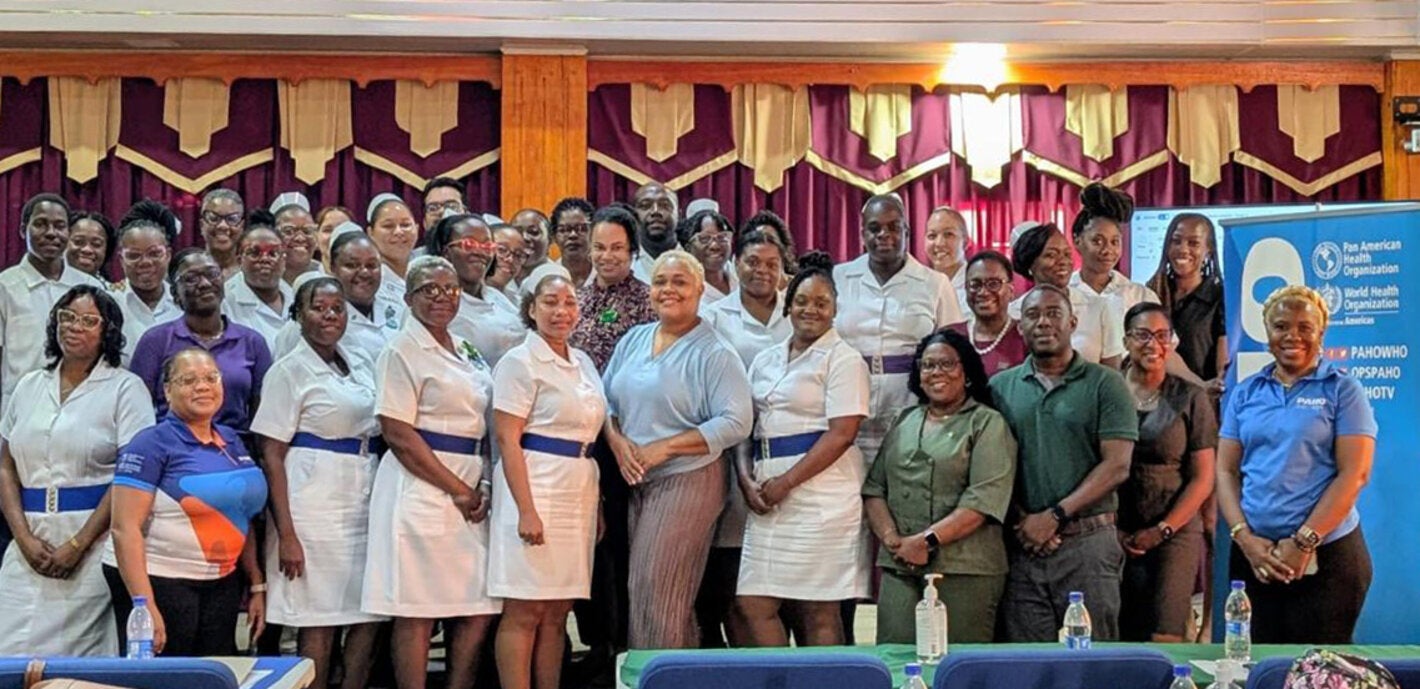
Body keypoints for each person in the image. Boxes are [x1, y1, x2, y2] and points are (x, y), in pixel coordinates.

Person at [602, 250, 753, 649]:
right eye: (660, 282)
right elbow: (604, 401)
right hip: (635, 477)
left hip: (688, 479)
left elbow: (737, 421)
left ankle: (660, 675)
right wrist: (617, 443)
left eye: (679, 282)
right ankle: (671, 671)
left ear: (701, 290)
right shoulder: (634, 338)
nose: (668, 289)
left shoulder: (715, 352)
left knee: (657, 588)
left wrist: (663, 449)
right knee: (649, 590)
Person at [363, 256, 499, 689]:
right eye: (429, 289)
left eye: (450, 288)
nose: (441, 297)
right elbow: (398, 432)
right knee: (417, 608)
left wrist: (482, 483)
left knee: (477, 605)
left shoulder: (466, 348)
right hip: (420, 484)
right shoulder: (400, 350)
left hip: (471, 481)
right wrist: (458, 489)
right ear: (408, 298)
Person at [0, 287, 154, 656]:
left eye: (88, 321)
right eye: (67, 317)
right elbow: (5, 463)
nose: (74, 327)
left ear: (108, 331)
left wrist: (78, 544)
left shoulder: (125, 389)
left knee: (79, 660)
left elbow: (128, 475)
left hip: (93, 544)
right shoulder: (29, 385)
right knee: (8, 648)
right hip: (29, 538)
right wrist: (21, 535)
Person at [1217, 286, 1376, 644]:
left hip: (1327, 558)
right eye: (1281, 326)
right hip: (1255, 556)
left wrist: (1303, 542)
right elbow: (1225, 471)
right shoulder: (1245, 392)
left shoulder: (1343, 390)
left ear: (1321, 334)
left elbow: (1355, 473)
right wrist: (1244, 537)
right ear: (1267, 333)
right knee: (1256, 669)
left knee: (1317, 671)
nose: (1293, 336)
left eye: (1305, 327)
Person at [734, 252, 870, 646]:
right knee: (753, 602)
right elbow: (746, 425)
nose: (811, 309)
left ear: (834, 311)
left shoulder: (844, 359)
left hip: (821, 497)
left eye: (822, 303)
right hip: (766, 492)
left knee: (819, 608)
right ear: (788, 305)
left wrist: (787, 482)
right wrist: (746, 479)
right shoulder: (764, 359)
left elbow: (842, 433)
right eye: (802, 301)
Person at [253, 277, 382, 689]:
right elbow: (271, 452)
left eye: (337, 308)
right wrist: (287, 534)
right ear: (298, 314)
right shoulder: (288, 371)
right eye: (318, 307)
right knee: (319, 619)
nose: (329, 316)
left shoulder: (360, 360)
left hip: (361, 497)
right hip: (312, 506)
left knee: (367, 616)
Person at [989, 284, 1137, 642]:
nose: (1043, 322)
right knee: (1028, 667)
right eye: (1032, 315)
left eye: (1053, 313)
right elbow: (990, 467)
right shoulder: (999, 387)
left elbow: (1117, 466)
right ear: (1019, 326)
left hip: (1089, 542)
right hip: (1023, 544)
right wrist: (1027, 522)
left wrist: (1054, 516)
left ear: (1072, 322)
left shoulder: (1107, 384)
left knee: (1094, 663)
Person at [104, 347, 268, 656]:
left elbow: (239, 514)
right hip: (161, 579)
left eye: (211, 378)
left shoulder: (232, 440)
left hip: (223, 581)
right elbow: (124, 529)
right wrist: (145, 606)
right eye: (188, 380)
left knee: (218, 670)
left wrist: (256, 582)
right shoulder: (149, 444)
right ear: (167, 390)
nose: (203, 386)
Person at [490, 274, 606, 689]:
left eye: (569, 303)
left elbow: (592, 434)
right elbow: (507, 437)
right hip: (537, 484)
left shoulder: (584, 362)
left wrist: (599, 506)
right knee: (524, 610)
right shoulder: (518, 362)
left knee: (558, 611)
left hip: (579, 487)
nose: (561, 312)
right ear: (532, 308)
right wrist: (526, 509)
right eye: (551, 302)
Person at [864, 329, 1016, 643]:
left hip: (966, 569)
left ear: (968, 372)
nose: (936, 373)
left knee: (957, 668)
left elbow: (983, 500)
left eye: (947, 364)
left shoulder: (987, 423)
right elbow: (875, 488)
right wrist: (893, 540)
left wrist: (926, 541)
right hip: (900, 566)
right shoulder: (905, 419)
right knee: (896, 661)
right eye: (928, 365)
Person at [696, 228, 794, 646]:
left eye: (772, 264)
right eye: (753, 262)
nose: (762, 271)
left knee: (786, 572)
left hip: (787, 454)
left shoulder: (796, 312)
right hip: (729, 456)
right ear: (736, 264)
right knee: (735, 575)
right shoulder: (715, 317)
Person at [834, 193, 964, 465]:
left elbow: (955, 352)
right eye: (875, 228)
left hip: (911, 404)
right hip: (848, 404)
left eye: (893, 227)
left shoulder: (935, 284)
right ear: (862, 234)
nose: (884, 234)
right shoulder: (838, 278)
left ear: (907, 232)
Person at [1115, 303, 1216, 642]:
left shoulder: (1191, 396)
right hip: (1114, 530)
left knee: (1166, 635)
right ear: (1126, 340)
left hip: (1175, 530)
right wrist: (1112, 529)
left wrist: (1162, 529)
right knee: (1119, 634)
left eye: (1162, 336)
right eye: (1143, 335)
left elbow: (1204, 477)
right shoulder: (1107, 391)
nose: (1153, 344)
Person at [130, 249, 272, 435]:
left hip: (236, 450)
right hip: (172, 449)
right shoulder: (155, 341)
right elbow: (137, 412)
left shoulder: (252, 342)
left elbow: (264, 417)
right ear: (175, 293)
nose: (205, 284)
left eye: (212, 274)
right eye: (191, 278)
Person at [1, 193, 103, 412]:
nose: (51, 233)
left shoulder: (90, 286)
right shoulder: (5, 286)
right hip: (20, 410)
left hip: (83, 406)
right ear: (22, 230)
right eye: (40, 224)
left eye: (59, 226)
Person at [1009, 223, 1123, 368]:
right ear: (1030, 264)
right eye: (1051, 255)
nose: (1063, 262)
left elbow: (1112, 374)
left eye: (1067, 254)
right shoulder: (1014, 313)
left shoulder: (1099, 307)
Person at [427, 214, 526, 369]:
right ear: (446, 252)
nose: (480, 252)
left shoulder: (497, 297)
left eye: (487, 246)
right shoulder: (434, 306)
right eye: (469, 244)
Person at [569, 206, 659, 372]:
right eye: (599, 247)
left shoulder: (649, 303)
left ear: (632, 251)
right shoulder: (575, 299)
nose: (607, 256)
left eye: (617, 248)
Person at [1146, 213, 1227, 393]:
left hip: (1201, 402)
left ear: (1209, 249)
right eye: (1176, 241)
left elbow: (1224, 365)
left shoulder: (1220, 296)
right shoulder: (1151, 292)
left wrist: (1215, 385)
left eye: (1193, 243)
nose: (1183, 249)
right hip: (1155, 402)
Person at [1068, 183, 1159, 312]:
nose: (1107, 250)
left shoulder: (1140, 296)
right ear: (1077, 241)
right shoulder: (1062, 294)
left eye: (1114, 242)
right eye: (1097, 241)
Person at [110, 201, 182, 364]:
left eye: (154, 254)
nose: (145, 262)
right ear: (121, 259)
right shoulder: (109, 303)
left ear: (168, 255)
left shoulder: (185, 304)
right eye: (134, 255)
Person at [947, 251, 1027, 377]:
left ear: (1011, 290)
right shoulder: (949, 336)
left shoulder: (1026, 337)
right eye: (975, 284)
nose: (983, 292)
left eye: (994, 284)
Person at [223, 218, 294, 350]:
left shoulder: (297, 297)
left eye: (273, 253)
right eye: (255, 253)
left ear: (284, 260)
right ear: (240, 260)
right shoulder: (224, 302)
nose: (264, 259)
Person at [367, 193, 420, 307]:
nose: (398, 232)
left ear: (417, 229)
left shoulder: (427, 273)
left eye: (405, 225)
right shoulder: (367, 281)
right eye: (388, 226)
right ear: (370, 233)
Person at [678, 210, 737, 304]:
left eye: (722, 237)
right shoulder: (683, 292)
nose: (715, 246)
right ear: (688, 247)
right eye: (704, 239)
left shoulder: (741, 275)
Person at [630, 182, 681, 283]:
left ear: (679, 214)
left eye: (664, 205)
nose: (655, 211)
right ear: (634, 216)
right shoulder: (623, 266)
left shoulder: (697, 263)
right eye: (645, 206)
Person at [924, 206, 970, 313]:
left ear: (966, 242)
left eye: (948, 234)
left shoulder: (977, 286)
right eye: (932, 236)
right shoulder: (918, 284)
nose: (939, 243)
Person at [272, 192, 322, 286]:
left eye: (307, 231)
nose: (300, 238)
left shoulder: (325, 276)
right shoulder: (257, 277)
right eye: (289, 231)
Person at [198, 189, 246, 281]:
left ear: (241, 227)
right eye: (213, 218)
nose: (222, 226)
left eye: (232, 219)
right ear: (201, 225)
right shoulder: (186, 273)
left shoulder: (253, 275)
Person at [741, 209, 798, 281]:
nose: (765, 244)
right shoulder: (745, 284)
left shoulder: (798, 287)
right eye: (758, 240)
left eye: (771, 240)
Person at [550, 198, 595, 287]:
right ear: (554, 236)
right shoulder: (547, 276)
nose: (573, 235)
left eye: (581, 228)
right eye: (564, 230)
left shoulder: (606, 275)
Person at [66, 211, 117, 285]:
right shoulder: (48, 284)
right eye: (78, 242)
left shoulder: (112, 293)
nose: (87, 249)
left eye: (96, 244)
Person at [488, 224, 531, 302]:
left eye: (518, 255)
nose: (510, 259)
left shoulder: (519, 304)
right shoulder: (461, 299)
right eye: (502, 250)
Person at [511, 208, 552, 282]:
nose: (524, 237)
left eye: (533, 232)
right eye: (517, 232)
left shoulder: (557, 277)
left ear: (550, 240)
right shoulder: (497, 277)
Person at [315, 205, 355, 271]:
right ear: (316, 237)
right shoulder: (305, 278)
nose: (335, 235)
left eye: (343, 229)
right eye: (328, 230)